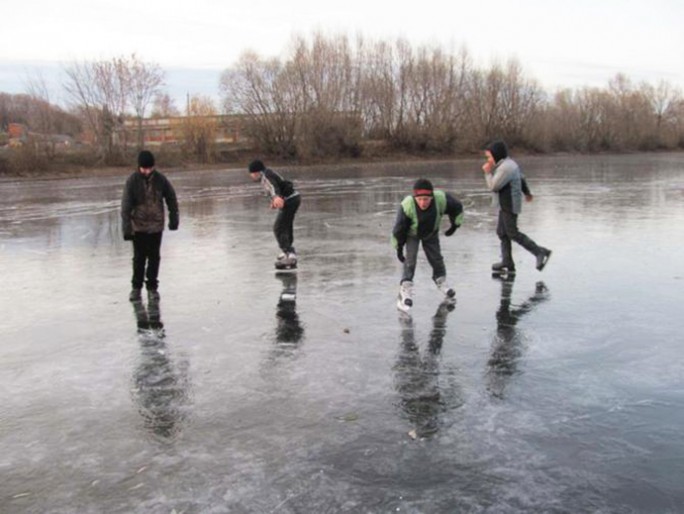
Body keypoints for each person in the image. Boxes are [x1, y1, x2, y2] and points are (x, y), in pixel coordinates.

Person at [391, 178, 464, 313]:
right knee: (410, 260)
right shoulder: (408, 205)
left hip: (431, 232)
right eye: (420, 199)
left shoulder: (440, 199)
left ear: (432, 197)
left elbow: (457, 207)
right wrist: (399, 247)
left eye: (426, 199)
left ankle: (440, 280)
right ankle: (405, 287)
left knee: (436, 258)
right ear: (415, 198)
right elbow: (399, 229)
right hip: (411, 234)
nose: (423, 202)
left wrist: (455, 224)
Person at [482, 140, 551, 275]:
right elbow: (522, 178)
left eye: (489, 157)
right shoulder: (508, 164)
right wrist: (527, 193)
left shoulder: (506, 168)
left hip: (509, 205)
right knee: (502, 232)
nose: (488, 160)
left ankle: (539, 252)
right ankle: (507, 261)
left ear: (497, 155)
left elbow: (493, 186)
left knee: (512, 233)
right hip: (504, 204)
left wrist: (487, 173)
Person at [121, 150, 179, 301]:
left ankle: (152, 288)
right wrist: (127, 228)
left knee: (154, 258)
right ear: (139, 167)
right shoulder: (132, 181)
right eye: (144, 168)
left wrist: (174, 219)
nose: (147, 171)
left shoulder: (161, 180)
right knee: (139, 258)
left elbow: (171, 198)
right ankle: (136, 288)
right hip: (138, 227)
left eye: (149, 168)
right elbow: (125, 206)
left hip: (156, 226)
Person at [248, 159, 301, 270]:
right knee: (286, 226)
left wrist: (276, 197)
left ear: (257, 172)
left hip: (290, 200)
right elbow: (277, 186)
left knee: (278, 228)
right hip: (292, 199)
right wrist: (274, 201)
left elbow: (273, 187)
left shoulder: (266, 177)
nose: (251, 176)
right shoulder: (267, 174)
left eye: (251, 173)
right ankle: (287, 251)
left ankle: (290, 253)